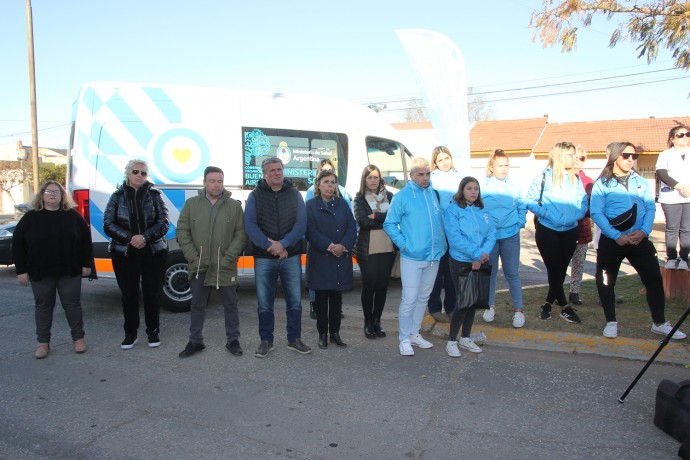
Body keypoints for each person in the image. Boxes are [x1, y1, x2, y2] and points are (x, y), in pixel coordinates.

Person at [591, 142, 686, 340]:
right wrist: (616, 236)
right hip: (612, 241)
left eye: (634, 156)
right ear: (615, 157)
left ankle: (659, 323)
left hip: (638, 240)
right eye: (626, 155)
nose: (630, 160)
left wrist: (644, 231)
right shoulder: (602, 183)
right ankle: (611, 322)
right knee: (606, 281)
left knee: (653, 279)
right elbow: (596, 212)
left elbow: (650, 207)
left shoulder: (641, 181)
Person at [13, 181, 93, 359]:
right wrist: (21, 271)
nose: (52, 195)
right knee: (43, 307)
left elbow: (85, 241)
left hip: (69, 270)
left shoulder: (73, 216)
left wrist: (87, 265)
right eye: (48, 191)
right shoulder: (30, 218)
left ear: (62, 195)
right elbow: (18, 245)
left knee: (72, 305)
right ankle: (43, 343)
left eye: (56, 192)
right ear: (41, 195)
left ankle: (78, 339)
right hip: (40, 271)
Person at [176, 166, 247, 358]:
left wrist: (229, 256)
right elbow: (182, 231)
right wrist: (193, 256)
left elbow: (241, 234)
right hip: (199, 264)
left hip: (225, 264)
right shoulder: (192, 204)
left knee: (231, 304)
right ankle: (195, 341)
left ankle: (233, 340)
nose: (216, 185)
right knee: (197, 304)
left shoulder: (234, 206)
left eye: (220, 181)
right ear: (205, 183)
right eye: (212, 181)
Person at [245, 157, 312, 357]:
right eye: (272, 170)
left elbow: (301, 224)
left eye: (279, 169)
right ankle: (266, 340)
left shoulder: (294, 194)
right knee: (265, 303)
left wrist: (283, 244)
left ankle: (294, 339)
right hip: (264, 258)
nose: (277, 173)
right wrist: (271, 246)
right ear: (265, 174)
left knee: (295, 302)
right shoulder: (255, 196)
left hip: (290, 256)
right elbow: (250, 226)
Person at [103, 159, 170, 350]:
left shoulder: (155, 195)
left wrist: (145, 237)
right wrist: (130, 238)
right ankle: (130, 334)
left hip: (153, 253)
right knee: (129, 295)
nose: (139, 175)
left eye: (143, 173)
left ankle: (153, 331)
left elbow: (164, 222)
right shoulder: (117, 197)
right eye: (136, 171)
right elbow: (108, 224)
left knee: (152, 294)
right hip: (124, 254)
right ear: (127, 173)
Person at [384, 157, 447, 356]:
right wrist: (405, 246)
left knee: (423, 297)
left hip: (433, 256)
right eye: (420, 174)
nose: (425, 178)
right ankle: (403, 338)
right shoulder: (402, 196)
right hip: (412, 257)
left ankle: (414, 333)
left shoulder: (433, 194)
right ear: (411, 176)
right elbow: (390, 223)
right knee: (409, 298)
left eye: (428, 174)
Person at [526, 142, 588, 324]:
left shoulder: (575, 180)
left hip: (570, 231)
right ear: (560, 156)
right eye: (570, 154)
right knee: (553, 270)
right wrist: (546, 213)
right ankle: (564, 307)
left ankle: (547, 304)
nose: (575, 158)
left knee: (560, 272)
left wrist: (577, 214)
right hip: (548, 231)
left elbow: (583, 201)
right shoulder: (543, 178)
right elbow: (529, 201)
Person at [444, 176, 496, 356]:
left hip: (480, 260)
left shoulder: (483, 211)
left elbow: (491, 234)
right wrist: (475, 254)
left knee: (474, 301)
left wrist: (482, 255)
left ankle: (465, 337)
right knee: (464, 301)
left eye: (476, 188)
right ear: (462, 190)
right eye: (469, 188)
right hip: (461, 260)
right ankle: (452, 340)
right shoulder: (453, 210)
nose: (473, 192)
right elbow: (455, 238)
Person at [306, 170, 357, 349]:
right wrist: (330, 246)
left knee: (336, 299)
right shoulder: (311, 205)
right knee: (321, 300)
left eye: (333, 182)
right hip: (321, 259)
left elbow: (352, 227)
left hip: (339, 258)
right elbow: (311, 231)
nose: (330, 185)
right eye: (326, 182)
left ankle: (335, 332)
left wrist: (343, 246)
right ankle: (322, 334)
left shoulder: (342, 204)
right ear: (318, 185)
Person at [481, 150, 527, 328]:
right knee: (490, 273)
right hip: (490, 238)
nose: (504, 169)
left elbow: (522, 205)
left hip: (510, 236)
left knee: (512, 273)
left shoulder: (515, 185)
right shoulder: (483, 185)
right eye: (500, 165)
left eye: (506, 165)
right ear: (491, 167)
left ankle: (518, 311)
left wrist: (520, 222)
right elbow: (478, 208)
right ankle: (489, 306)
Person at [353, 165, 395, 339]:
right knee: (369, 286)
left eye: (375, 177)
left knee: (382, 287)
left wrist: (376, 217)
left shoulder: (390, 197)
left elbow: (395, 218)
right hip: (367, 249)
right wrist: (384, 220)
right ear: (364, 180)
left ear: (380, 178)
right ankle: (367, 322)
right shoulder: (359, 199)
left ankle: (377, 321)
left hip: (387, 248)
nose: (373, 180)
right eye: (369, 177)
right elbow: (363, 222)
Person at [427, 146, 463, 322]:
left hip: (456, 231)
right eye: (440, 160)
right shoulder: (431, 179)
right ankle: (434, 307)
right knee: (436, 271)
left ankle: (451, 307)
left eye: (447, 158)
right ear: (435, 162)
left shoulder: (460, 177)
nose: (445, 162)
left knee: (452, 272)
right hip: (438, 231)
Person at [655, 125, 690, 270]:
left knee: (687, 229)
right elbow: (662, 173)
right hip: (671, 197)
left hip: (688, 196)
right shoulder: (665, 154)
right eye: (680, 135)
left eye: (687, 134)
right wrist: (679, 186)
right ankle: (671, 257)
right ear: (672, 139)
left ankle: (684, 258)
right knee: (672, 228)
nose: (685, 137)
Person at [567, 147, 594, 306]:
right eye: (575, 156)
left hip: (581, 230)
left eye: (582, 158)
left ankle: (575, 291)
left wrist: (581, 210)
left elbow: (592, 207)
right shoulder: (562, 178)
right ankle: (556, 292)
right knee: (560, 262)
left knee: (578, 263)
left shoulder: (589, 182)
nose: (578, 160)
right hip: (562, 228)